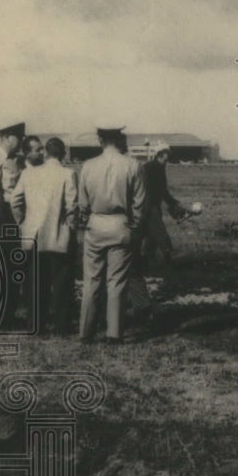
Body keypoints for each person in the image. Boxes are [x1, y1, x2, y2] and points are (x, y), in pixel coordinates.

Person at [77, 126, 146, 343]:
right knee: (116, 281)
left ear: (100, 139)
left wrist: (86, 221)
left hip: (96, 224)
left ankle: (86, 332)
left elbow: (83, 203)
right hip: (120, 224)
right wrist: (134, 227)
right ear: (120, 138)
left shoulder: (88, 166)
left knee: (92, 280)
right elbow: (139, 203)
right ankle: (114, 333)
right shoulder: (133, 165)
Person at [10, 137, 79, 333]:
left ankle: (35, 324)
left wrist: (22, 222)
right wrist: (70, 229)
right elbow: (72, 206)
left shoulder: (28, 174)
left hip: (33, 235)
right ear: (63, 154)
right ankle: (62, 324)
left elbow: (15, 201)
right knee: (61, 283)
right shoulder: (68, 173)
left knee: (35, 283)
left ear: (46, 153)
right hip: (59, 235)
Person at [126, 141, 187, 320]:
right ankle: (167, 257)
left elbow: (161, 191)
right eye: (166, 153)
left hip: (145, 206)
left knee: (147, 237)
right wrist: (172, 204)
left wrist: (171, 203)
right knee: (158, 232)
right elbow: (160, 191)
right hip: (148, 206)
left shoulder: (152, 167)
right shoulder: (155, 168)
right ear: (161, 154)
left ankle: (148, 258)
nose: (168, 156)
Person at [0, 122, 26, 331]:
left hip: (15, 216)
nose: (22, 142)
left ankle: (7, 315)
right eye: (20, 137)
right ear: (9, 137)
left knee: (12, 267)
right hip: (1, 217)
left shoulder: (18, 161)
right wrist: (2, 221)